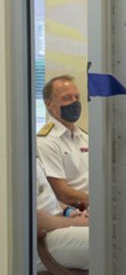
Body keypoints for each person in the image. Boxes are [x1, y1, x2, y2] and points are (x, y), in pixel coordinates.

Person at [37, 75, 89, 209]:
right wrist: (103, 201)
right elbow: (61, 193)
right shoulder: (46, 140)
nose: (74, 102)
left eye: (76, 97)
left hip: (96, 205)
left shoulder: (83, 136)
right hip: (76, 212)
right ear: (49, 104)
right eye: (66, 98)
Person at [35, 157, 89, 270]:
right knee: (110, 242)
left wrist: (69, 212)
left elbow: (46, 198)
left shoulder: (27, 151)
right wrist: (74, 222)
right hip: (39, 241)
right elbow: (32, 220)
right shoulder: (10, 159)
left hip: (55, 226)